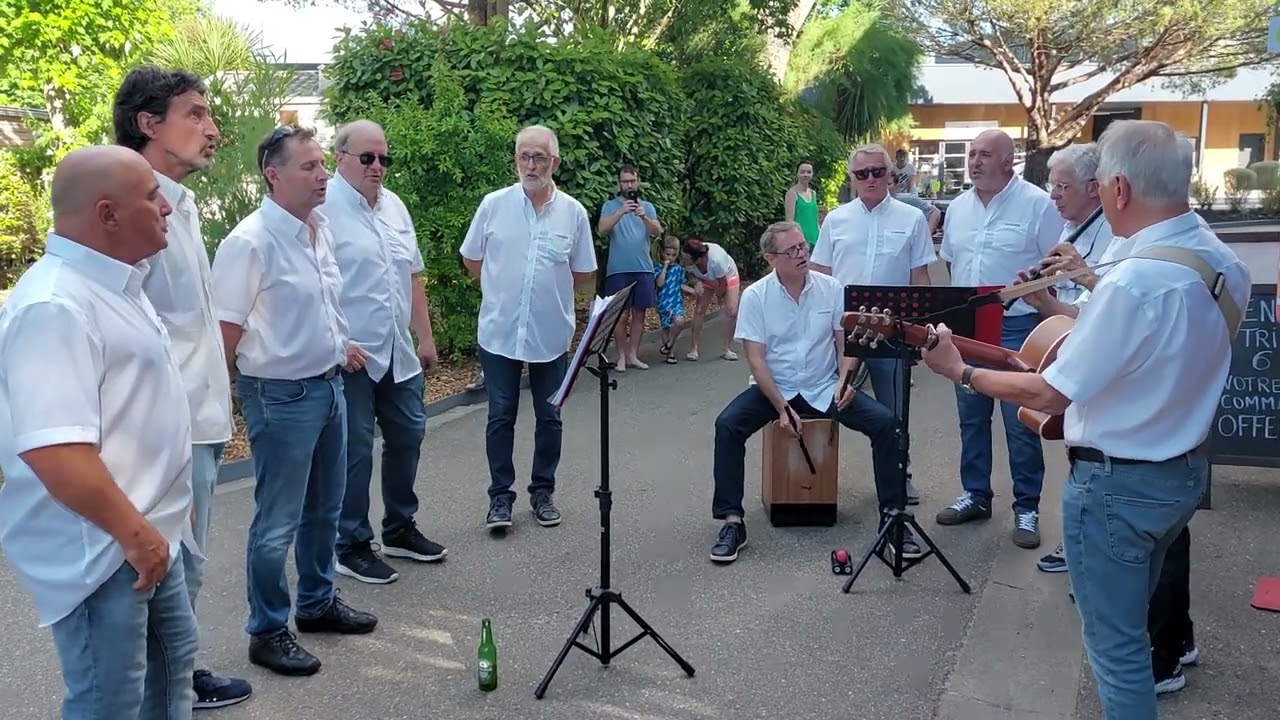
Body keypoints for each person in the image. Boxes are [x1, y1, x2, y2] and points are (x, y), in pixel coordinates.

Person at [918, 119, 1250, 719]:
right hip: (1181, 471)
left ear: (1118, 188)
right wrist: (1056, 303)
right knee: (1132, 627)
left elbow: (1049, 394)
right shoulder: (1216, 258)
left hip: (1117, 486)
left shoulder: (1136, 280)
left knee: (1117, 653)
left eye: (1098, 185)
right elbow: (1140, 345)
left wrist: (959, 371)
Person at [0, 145, 198, 718]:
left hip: (145, 532)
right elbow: (56, 451)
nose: (166, 207)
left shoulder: (116, 285)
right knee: (108, 701)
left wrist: (168, 504)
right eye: (152, 197)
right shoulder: (54, 305)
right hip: (106, 549)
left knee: (170, 675)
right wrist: (135, 535)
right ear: (107, 214)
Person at [212, 125, 378, 678]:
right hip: (280, 396)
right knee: (278, 520)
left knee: (326, 508)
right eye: (308, 167)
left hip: (329, 386)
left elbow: (319, 306)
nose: (322, 175)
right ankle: (266, 631)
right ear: (273, 175)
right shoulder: (250, 242)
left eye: (322, 164)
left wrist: (338, 344)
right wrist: (226, 404)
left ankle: (316, 603)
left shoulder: (317, 228)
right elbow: (226, 333)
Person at [111, 65, 253, 710]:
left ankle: (178, 678)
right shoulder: (132, 212)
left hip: (203, 416)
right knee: (166, 568)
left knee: (187, 566)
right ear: (148, 123)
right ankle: (160, 691)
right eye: (195, 113)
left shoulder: (183, 205)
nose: (212, 128)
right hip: (167, 430)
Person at [707, 221, 916, 563]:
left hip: (824, 385)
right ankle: (732, 521)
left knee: (887, 424)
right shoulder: (756, 296)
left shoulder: (831, 288)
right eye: (791, 250)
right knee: (727, 425)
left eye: (803, 246)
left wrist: (845, 380)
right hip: (774, 388)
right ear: (770, 258)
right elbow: (756, 360)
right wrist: (780, 407)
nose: (801, 254)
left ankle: (894, 519)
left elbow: (847, 344)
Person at [322, 119, 447, 586]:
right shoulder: (322, 208)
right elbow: (311, 283)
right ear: (340, 158)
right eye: (367, 158)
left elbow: (412, 276)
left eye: (383, 158)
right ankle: (350, 544)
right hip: (352, 355)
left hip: (397, 350)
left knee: (409, 434)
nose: (377, 166)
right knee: (355, 450)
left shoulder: (394, 206)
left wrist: (425, 337)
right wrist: (337, 343)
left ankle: (398, 528)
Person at [459, 124, 597, 531]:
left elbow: (583, 273)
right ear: (515, 160)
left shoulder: (573, 213)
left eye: (539, 157)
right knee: (501, 415)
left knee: (550, 417)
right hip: (499, 332)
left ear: (555, 162)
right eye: (525, 156)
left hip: (550, 334)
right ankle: (500, 498)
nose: (531, 165)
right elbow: (472, 259)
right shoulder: (493, 205)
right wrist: (504, 290)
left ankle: (543, 493)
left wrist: (544, 294)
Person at [935, 129, 1064, 549]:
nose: (974, 161)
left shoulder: (1038, 205)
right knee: (971, 417)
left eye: (985, 155)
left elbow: (1057, 267)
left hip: (1017, 329)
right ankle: (975, 494)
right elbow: (952, 262)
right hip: (968, 325)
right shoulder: (957, 207)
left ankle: (1027, 507)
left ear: (1009, 161)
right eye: (972, 154)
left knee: (1020, 422)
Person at [811, 142, 935, 505]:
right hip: (841, 330)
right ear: (853, 177)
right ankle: (811, 479)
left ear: (890, 175)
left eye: (877, 172)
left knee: (894, 410)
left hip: (891, 330)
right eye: (862, 173)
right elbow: (820, 274)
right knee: (823, 402)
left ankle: (899, 475)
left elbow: (920, 277)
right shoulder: (836, 219)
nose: (870, 179)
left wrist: (921, 332)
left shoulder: (912, 219)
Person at [598, 164, 662, 371]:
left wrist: (644, 217)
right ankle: (621, 356)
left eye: (632, 181)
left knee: (639, 313)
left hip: (643, 267)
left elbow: (657, 231)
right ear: (619, 184)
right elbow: (602, 230)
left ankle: (633, 354)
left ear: (638, 182)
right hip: (618, 269)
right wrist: (621, 212)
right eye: (625, 181)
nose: (629, 185)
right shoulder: (610, 206)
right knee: (620, 314)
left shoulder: (647, 207)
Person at [682, 236, 741, 362]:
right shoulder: (688, 258)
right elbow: (689, 273)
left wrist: (720, 296)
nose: (684, 260)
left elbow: (722, 283)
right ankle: (693, 348)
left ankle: (726, 348)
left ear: (698, 259)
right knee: (699, 310)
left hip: (727, 276)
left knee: (731, 311)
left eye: (687, 259)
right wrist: (695, 282)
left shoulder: (716, 261)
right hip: (704, 278)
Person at [654, 236, 694, 363]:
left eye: (674, 255)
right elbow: (659, 283)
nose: (670, 258)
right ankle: (669, 353)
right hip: (663, 302)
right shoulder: (658, 268)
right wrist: (664, 269)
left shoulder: (678, 269)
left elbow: (680, 284)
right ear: (662, 253)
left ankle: (669, 343)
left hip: (676, 301)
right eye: (668, 254)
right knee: (666, 327)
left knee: (679, 321)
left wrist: (692, 291)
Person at [784, 161, 821, 248]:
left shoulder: (813, 193)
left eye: (808, 172)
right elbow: (789, 222)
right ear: (797, 174)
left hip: (815, 238)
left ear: (812, 174)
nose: (805, 175)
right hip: (801, 241)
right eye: (802, 172)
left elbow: (815, 219)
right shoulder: (792, 193)